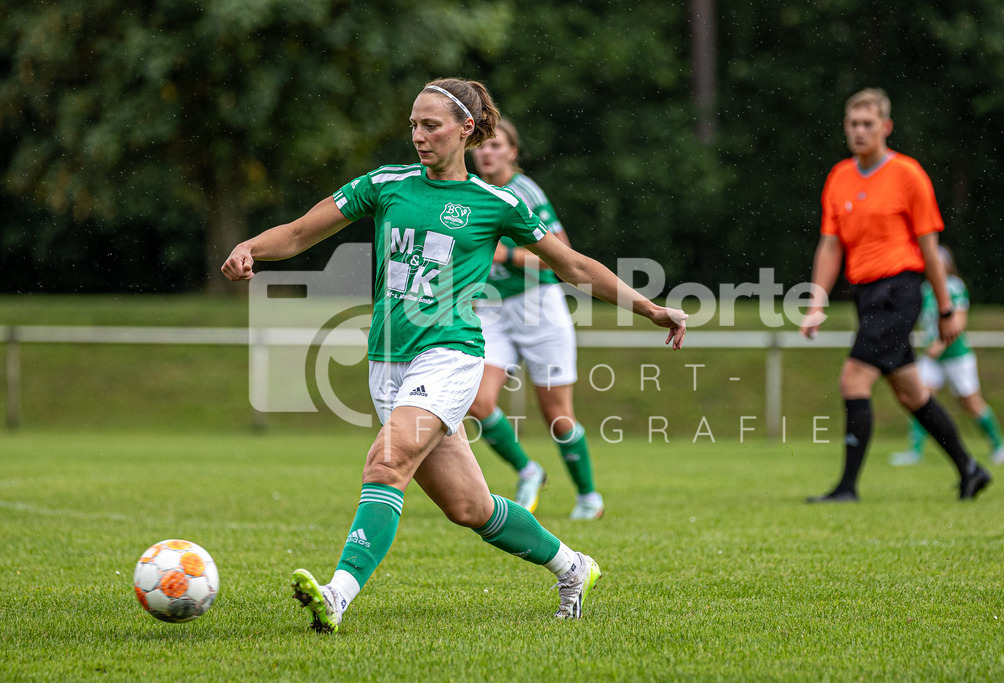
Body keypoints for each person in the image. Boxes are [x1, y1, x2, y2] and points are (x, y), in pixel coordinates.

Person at [221, 77, 688, 633]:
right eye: (414, 125)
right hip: (387, 363)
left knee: (386, 460)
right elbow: (299, 233)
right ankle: (573, 566)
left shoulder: (495, 203)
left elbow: (576, 267)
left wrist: (649, 308)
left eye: (431, 125)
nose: (418, 136)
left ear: (466, 129)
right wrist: (251, 247)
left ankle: (337, 595)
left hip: (451, 356)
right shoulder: (385, 184)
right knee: (471, 508)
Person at [800, 87, 992, 503]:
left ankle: (847, 488)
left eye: (868, 123)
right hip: (866, 293)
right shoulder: (839, 178)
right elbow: (830, 246)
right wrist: (816, 303)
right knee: (911, 392)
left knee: (853, 378)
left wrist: (945, 307)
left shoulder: (908, 174)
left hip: (900, 290)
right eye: (853, 123)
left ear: (886, 127)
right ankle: (970, 468)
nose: (859, 131)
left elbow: (930, 249)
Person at [467, 119, 603, 520]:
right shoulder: (468, 193)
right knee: (477, 401)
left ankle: (588, 496)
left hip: (538, 306)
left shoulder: (525, 192)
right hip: (490, 309)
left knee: (558, 417)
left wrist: (505, 255)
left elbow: (561, 259)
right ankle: (529, 471)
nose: (486, 152)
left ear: (512, 152)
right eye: (481, 147)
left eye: (496, 146)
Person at [889, 245, 1004, 466]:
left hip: (956, 356)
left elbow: (959, 320)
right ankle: (915, 452)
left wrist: (940, 344)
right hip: (932, 358)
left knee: (971, 403)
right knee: (920, 398)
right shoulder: (925, 289)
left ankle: (999, 446)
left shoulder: (954, 287)